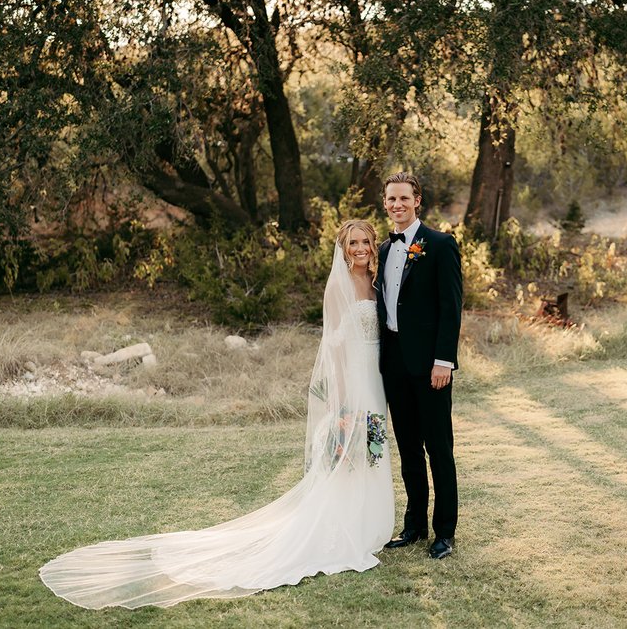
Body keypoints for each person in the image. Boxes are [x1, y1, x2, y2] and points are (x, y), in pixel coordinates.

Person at [39, 220, 393, 608]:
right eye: (352, 243)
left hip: (377, 379)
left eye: (365, 242)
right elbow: (334, 349)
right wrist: (341, 404)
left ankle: (368, 526)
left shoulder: (376, 284)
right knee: (348, 456)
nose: (359, 248)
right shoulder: (336, 287)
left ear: (373, 245)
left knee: (372, 453)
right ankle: (341, 532)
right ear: (343, 248)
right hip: (353, 382)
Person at [376, 172, 463, 560]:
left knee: (438, 448)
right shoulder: (381, 249)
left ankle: (444, 532)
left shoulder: (440, 245)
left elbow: (451, 307)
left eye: (403, 198)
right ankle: (414, 525)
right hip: (393, 364)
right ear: (385, 203)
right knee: (408, 447)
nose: (397, 205)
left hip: (431, 366)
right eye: (391, 199)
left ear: (417, 201)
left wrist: (444, 360)